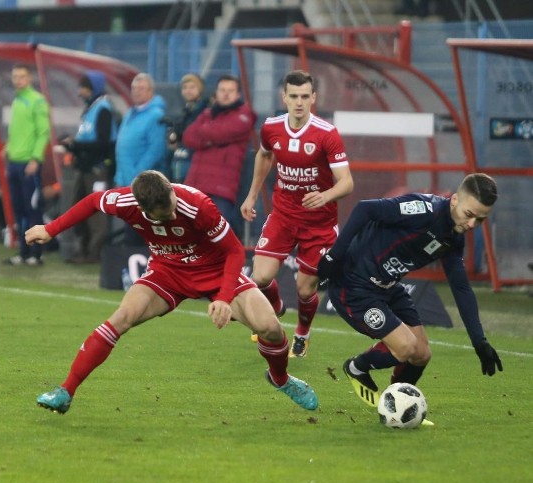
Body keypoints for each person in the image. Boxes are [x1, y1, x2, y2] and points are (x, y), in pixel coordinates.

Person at [27, 170, 319, 415]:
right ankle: (65, 391)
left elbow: (233, 251)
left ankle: (280, 379)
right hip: (167, 272)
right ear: (144, 211)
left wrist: (224, 297)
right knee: (121, 318)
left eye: (172, 200)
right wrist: (51, 229)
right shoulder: (127, 202)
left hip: (215, 272)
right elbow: (92, 201)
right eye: (166, 211)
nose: (174, 207)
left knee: (269, 327)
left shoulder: (197, 205)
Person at [319, 173, 503, 409]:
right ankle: (356, 368)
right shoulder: (423, 210)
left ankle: (396, 406)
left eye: (480, 219)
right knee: (406, 347)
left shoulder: (453, 238)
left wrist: (480, 341)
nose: (472, 225)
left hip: (388, 287)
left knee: (422, 355)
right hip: (354, 286)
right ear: (455, 200)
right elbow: (365, 209)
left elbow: (461, 288)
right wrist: (335, 255)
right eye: (470, 215)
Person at [239, 70, 353, 358]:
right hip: (283, 216)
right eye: (294, 96)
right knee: (260, 278)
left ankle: (302, 333)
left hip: (319, 223)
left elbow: (347, 182)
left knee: (305, 290)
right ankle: (275, 308)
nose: (299, 102)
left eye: (305, 96)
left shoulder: (327, 134)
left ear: (313, 98)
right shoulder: (271, 128)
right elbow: (264, 156)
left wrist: (325, 196)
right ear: (284, 98)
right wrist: (252, 195)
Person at [184, 74, 255, 235]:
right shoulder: (208, 113)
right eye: (222, 90)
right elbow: (188, 137)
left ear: (238, 95)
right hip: (196, 185)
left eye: (230, 90)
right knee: (193, 236)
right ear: (216, 93)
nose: (226, 93)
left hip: (221, 189)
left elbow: (220, 132)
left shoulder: (244, 116)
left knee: (218, 236)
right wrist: (209, 138)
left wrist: (205, 135)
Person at [61, 70, 117, 263]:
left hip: (96, 170)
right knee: (78, 210)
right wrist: (73, 145)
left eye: (85, 88)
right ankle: (82, 250)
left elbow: (103, 143)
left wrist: (76, 145)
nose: (81, 92)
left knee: (96, 215)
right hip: (85, 168)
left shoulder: (103, 109)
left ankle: (94, 253)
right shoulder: (91, 109)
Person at [2, 64, 50, 266]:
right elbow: (17, 131)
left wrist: (35, 159)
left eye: (22, 76)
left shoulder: (37, 100)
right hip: (14, 162)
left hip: (28, 164)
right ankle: (23, 251)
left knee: (32, 209)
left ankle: (36, 253)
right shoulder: (17, 100)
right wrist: (9, 150)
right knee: (19, 209)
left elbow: (43, 132)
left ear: (29, 78)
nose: (18, 80)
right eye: (15, 76)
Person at [113, 73, 167, 245]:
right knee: (131, 223)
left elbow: (156, 149)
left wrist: (138, 175)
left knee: (143, 225)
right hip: (126, 179)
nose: (136, 92)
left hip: (142, 183)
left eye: (141, 88)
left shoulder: (156, 115)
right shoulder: (131, 112)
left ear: (151, 91)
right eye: (134, 88)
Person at [167, 73, 208, 184]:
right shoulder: (184, 113)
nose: (188, 91)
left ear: (199, 89)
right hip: (179, 167)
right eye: (185, 88)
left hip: (194, 168)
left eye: (192, 87)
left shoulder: (205, 112)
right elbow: (173, 142)